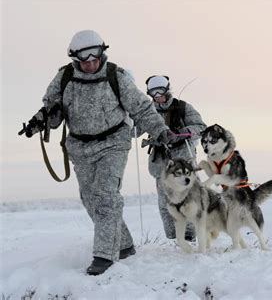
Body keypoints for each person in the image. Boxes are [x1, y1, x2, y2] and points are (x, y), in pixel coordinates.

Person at [19, 30, 177, 275]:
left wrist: (160, 131)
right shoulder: (64, 77)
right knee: (90, 199)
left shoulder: (117, 76)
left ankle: (104, 255)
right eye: (85, 60)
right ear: (75, 58)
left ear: (102, 53)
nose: (91, 64)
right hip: (80, 148)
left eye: (95, 58)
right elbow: (52, 108)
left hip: (113, 143)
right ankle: (123, 245)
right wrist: (43, 119)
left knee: (106, 195)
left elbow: (142, 108)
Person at [141, 75, 206, 240]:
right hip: (161, 163)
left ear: (167, 90)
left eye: (160, 92)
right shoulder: (147, 110)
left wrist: (180, 133)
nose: (157, 97)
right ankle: (172, 237)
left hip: (183, 160)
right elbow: (134, 129)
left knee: (188, 199)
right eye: (152, 93)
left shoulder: (183, 108)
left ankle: (190, 237)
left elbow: (201, 127)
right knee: (165, 202)